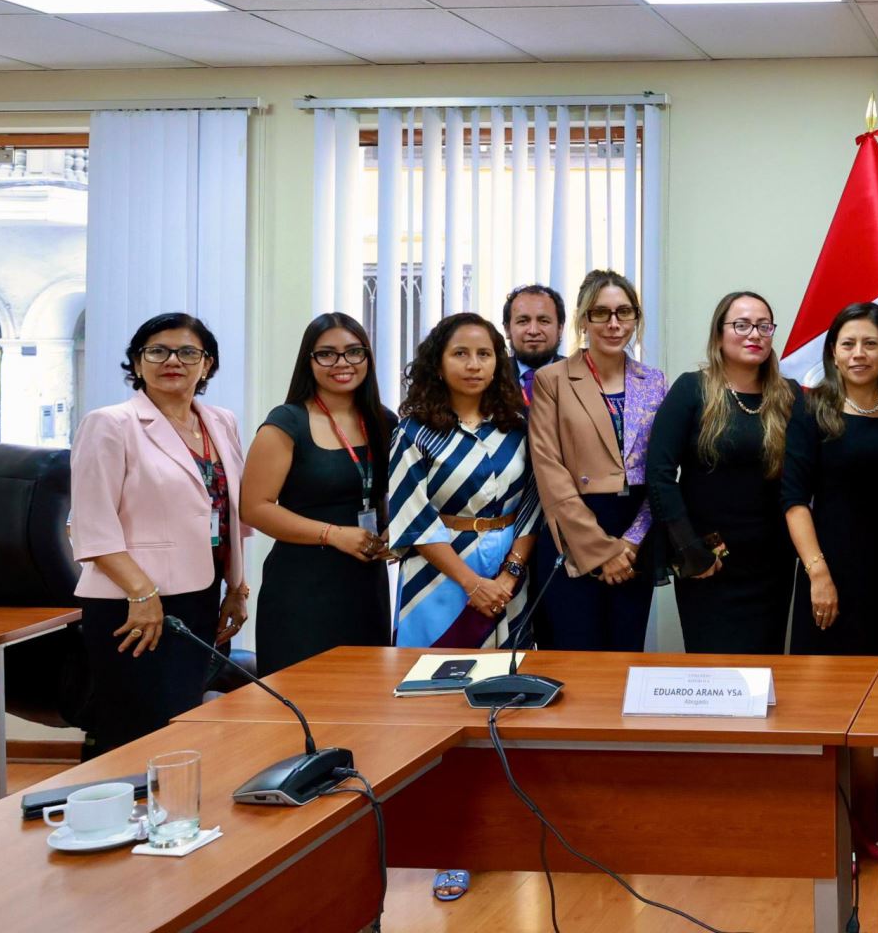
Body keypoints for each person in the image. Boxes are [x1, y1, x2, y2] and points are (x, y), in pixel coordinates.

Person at [69, 313, 252, 753]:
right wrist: (142, 593)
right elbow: (91, 524)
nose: (174, 360)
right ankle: (127, 816)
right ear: (137, 361)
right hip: (131, 604)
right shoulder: (110, 423)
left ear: (207, 364)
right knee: (137, 728)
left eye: (189, 352)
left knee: (181, 720)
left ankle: (173, 817)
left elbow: (228, 512)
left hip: (200, 594)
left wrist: (237, 587)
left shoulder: (220, 421)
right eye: (158, 351)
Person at [241, 313, 396, 676]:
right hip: (302, 587)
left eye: (353, 352)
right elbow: (254, 508)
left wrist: (395, 530)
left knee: (364, 700)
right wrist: (334, 534)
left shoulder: (384, 422)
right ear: (308, 362)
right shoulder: (287, 422)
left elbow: (394, 493)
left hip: (365, 583)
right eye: (327, 354)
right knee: (302, 701)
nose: (342, 363)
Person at [646, 291, 798, 654]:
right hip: (709, 562)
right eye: (741, 325)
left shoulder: (789, 396)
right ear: (719, 334)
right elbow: (659, 474)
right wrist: (688, 549)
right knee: (713, 677)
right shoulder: (692, 389)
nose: (755, 334)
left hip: (771, 564)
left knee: (765, 675)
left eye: (764, 326)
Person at [528, 270, 668, 651]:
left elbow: (662, 469)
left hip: (635, 531)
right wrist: (602, 551)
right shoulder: (552, 379)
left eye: (624, 312)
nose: (613, 323)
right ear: (583, 319)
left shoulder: (654, 380)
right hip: (574, 529)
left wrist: (632, 542)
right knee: (575, 659)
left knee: (625, 655)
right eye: (601, 313)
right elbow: (550, 471)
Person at [388, 312, 542, 651]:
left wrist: (510, 574)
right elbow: (414, 520)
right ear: (437, 365)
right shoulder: (414, 433)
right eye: (460, 353)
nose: (473, 364)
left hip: (507, 574)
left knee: (505, 679)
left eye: (484, 354)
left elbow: (533, 506)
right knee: (435, 681)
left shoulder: (517, 427)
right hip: (437, 576)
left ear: (497, 364)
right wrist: (472, 583)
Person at [782, 302, 878, 657]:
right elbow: (794, 502)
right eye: (847, 344)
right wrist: (818, 574)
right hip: (828, 569)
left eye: (870, 344)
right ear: (833, 355)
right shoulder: (810, 411)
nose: (859, 354)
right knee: (822, 693)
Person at [504, 283, 565, 403]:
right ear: (507, 329)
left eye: (544, 321)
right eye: (523, 321)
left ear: (560, 329)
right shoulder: (492, 377)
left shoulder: (581, 377)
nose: (533, 331)